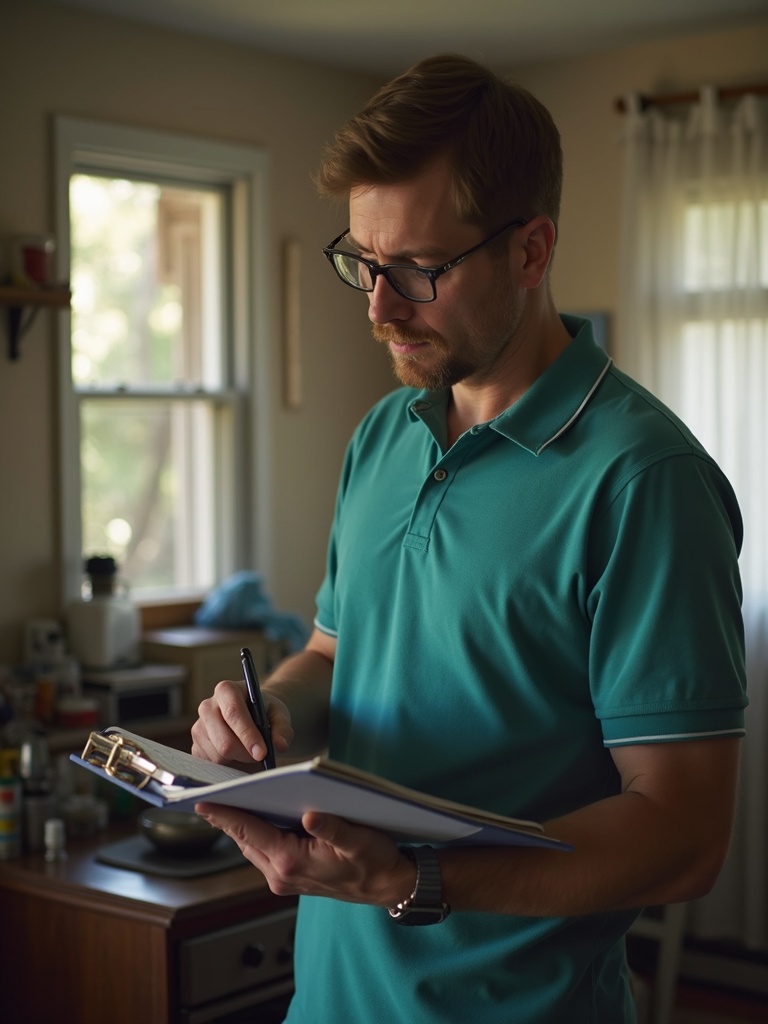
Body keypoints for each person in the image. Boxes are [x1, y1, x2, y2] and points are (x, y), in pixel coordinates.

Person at [191, 53, 747, 1023]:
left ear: (530, 252)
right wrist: (265, 714)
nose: (377, 306)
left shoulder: (645, 481)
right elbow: (333, 650)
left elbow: (683, 832)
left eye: (416, 269)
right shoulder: (383, 435)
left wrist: (421, 878)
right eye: (362, 262)